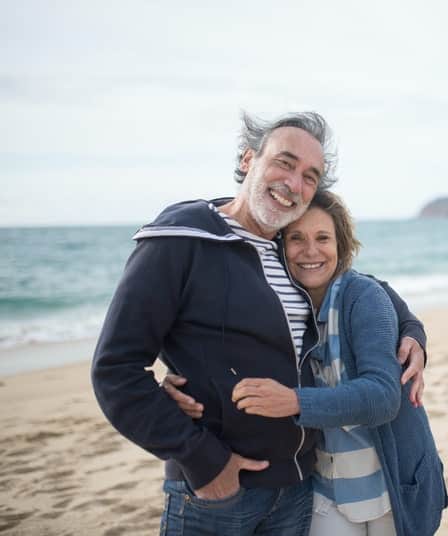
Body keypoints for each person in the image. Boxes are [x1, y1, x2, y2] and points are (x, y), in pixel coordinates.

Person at [91, 112, 428, 536]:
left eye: (310, 175)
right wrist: (205, 463)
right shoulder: (179, 242)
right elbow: (115, 371)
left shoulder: (285, 248)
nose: (294, 183)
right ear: (249, 160)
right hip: (219, 495)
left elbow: (361, 285)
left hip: (302, 488)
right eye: (285, 163)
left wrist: (412, 331)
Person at [170, 190, 448, 535]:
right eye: (296, 238)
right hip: (327, 484)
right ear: (279, 246)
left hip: (390, 483)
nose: (311, 251)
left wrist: (294, 401)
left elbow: (383, 397)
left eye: (323, 238)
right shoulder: (279, 303)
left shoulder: (362, 296)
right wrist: (180, 380)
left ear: (340, 245)